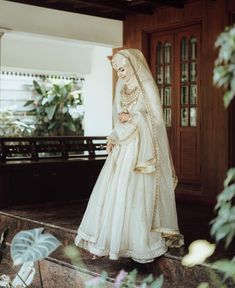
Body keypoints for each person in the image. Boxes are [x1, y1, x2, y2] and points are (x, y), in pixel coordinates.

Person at [75, 48, 184, 263]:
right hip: (124, 146)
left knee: (137, 191)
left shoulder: (147, 86)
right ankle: (107, 241)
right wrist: (113, 137)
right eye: (117, 70)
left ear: (134, 65)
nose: (120, 74)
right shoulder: (121, 86)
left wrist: (134, 118)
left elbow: (157, 120)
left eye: (123, 69)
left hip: (142, 150)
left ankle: (140, 243)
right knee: (116, 190)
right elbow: (118, 117)